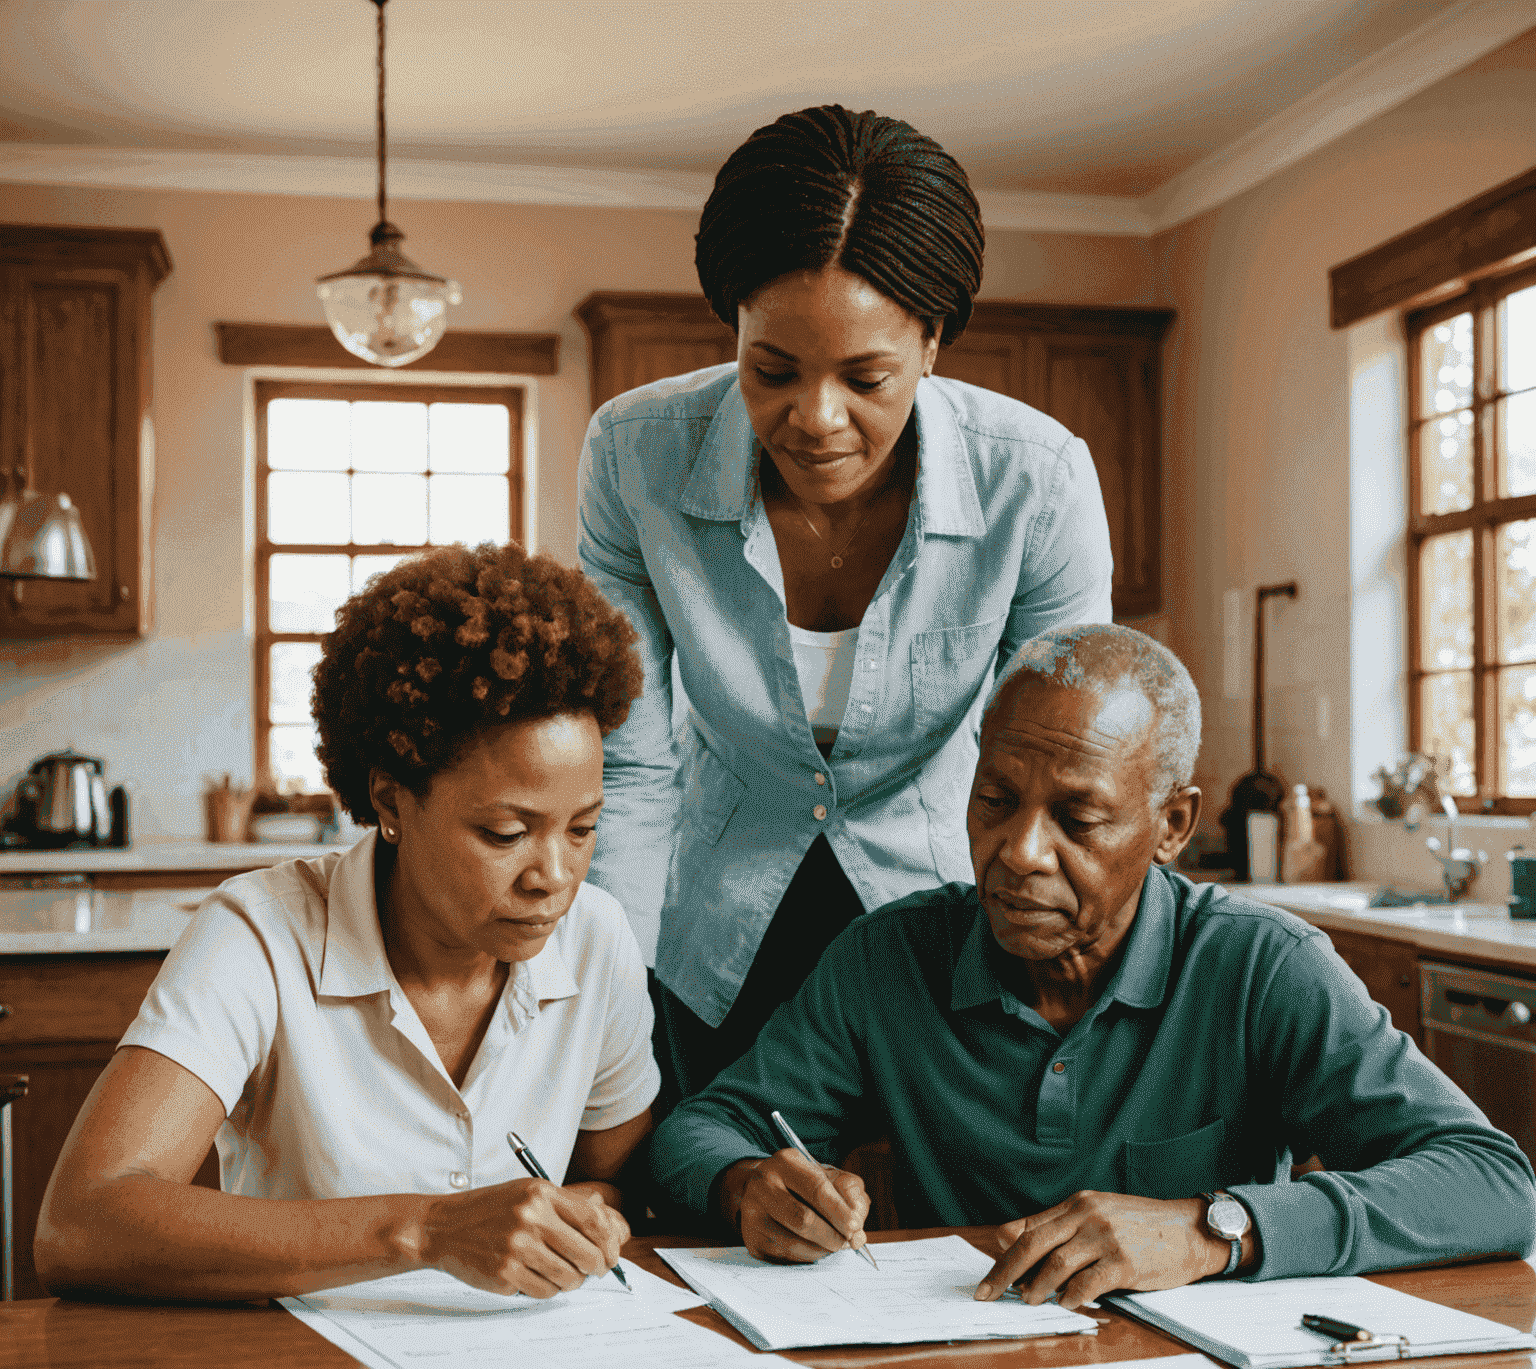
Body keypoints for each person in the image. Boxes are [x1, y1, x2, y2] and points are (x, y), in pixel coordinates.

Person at [649, 624, 1536, 1308]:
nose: (1020, 852)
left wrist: (1212, 1228)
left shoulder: (1261, 967)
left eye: (1078, 818)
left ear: (1173, 827)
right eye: (995, 800)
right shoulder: (890, 958)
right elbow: (701, 1130)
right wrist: (746, 1185)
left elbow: (1494, 1184)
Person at [578, 104, 1114, 1113]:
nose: (816, 420)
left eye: (867, 377)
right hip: (710, 930)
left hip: (946, 922)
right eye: (770, 370)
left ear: (933, 344)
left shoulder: (1034, 481)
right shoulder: (634, 453)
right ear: (731, 329)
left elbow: (1064, 770)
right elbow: (632, 761)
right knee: (702, 1203)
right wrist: (602, 1000)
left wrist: (1064, 987)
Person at [36, 543, 659, 1302]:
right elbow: (84, 1222)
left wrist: (594, 1215)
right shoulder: (258, 935)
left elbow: (624, 1179)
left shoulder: (598, 939)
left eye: (582, 829)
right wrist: (428, 1231)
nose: (553, 878)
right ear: (392, 801)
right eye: (505, 833)